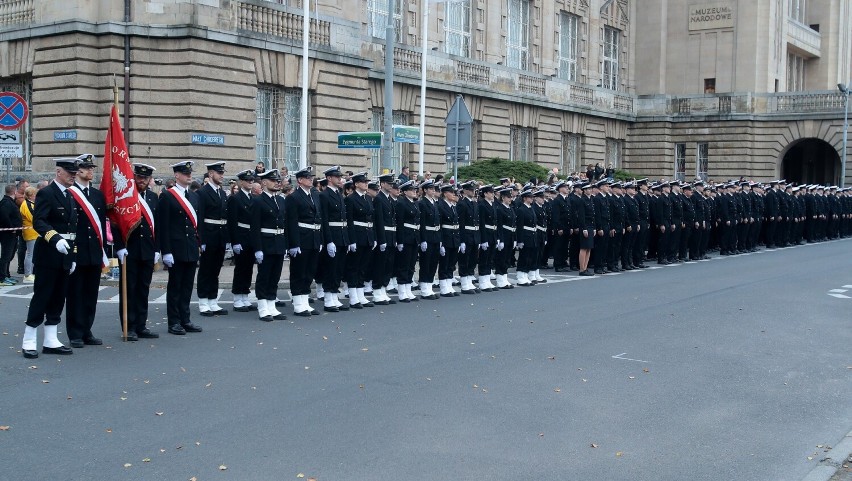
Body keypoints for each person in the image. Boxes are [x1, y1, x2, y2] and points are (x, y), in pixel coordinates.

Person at [21, 158, 79, 359]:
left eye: (75, 172)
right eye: (69, 172)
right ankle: (29, 339)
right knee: (42, 296)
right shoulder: (46, 193)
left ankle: (50, 340)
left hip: (65, 254)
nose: (73, 175)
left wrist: (73, 255)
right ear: (58, 172)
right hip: (48, 254)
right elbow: (39, 221)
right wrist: (54, 238)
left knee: (58, 298)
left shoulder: (70, 196)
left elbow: (73, 229)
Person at [114, 163, 160, 341]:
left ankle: (141, 325)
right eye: (139, 177)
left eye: (145, 178)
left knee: (143, 289)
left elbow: (158, 226)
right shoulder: (125, 196)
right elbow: (116, 223)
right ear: (133, 178)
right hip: (129, 250)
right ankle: (130, 326)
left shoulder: (153, 198)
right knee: (129, 290)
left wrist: (157, 249)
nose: (142, 181)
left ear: (149, 180)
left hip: (147, 250)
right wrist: (119, 247)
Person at [66, 154, 107, 349]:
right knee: (75, 294)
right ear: (78, 170)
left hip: (94, 251)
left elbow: (101, 226)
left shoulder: (98, 195)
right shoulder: (70, 194)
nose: (91, 171)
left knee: (91, 294)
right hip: (77, 251)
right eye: (87, 167)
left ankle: (86, 330)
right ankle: (75, 333)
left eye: (92, 168)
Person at [158, 161, 203, 335]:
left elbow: (196, 225)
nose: (189, 175)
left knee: (187, 287)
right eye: (185, 173)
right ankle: (174, 322)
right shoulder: (168, 196)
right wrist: (166, 251)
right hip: (175, 249)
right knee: (175, 287)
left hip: (190, 247)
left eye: (190, 173)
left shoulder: (194, 197)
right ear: (177, 175)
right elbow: (163, 226)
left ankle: (186, 319)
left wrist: (199, 244)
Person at [251, 170, 288, 321]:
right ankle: (262, 306)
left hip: (279, 241)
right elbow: (255, 227)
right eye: (273, 180)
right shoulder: (258, 201)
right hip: (265, 243)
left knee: (275, 276)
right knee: (264, 276)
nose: (277, 183)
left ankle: (271, 305)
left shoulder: (280, 200)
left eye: (278, 180)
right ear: (264, 183)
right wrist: (258, 249)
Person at [286, 166, 323, 316]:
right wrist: (294, 243)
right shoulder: (293, 197)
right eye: (308, 177)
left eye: (311, 177)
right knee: (299, 271)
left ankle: (305, 300)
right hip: (302, 237)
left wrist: (320, 239)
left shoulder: (314, 195)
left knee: (310, 271)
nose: (311, 179)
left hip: (314, 237)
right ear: (300, 180)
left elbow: (318, 218)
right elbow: (291, 222)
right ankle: (297, 302)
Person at [196, 162, 230, 317]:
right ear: (210, 174)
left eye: (222, 172)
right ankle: (203, 301)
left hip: (220, 235)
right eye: (219, 173)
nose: (222, 175)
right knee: (206, 269)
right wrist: (200, 239)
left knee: (216, 269)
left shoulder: (222, 193)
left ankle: (213, 300)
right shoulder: (202, 193)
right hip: (208, 235)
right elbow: (200, 217)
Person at [318, 165, 349, 312]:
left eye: (340, 176)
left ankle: (334, 295)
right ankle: (328, 298)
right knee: (330, 268)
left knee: (339, 268)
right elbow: (324, 220)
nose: (340, 179)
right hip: (333, 236)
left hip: (342, 236)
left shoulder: (339, 194)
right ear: (329, 178)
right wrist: (328, 240)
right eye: (337, 177)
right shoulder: (324, 195)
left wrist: (347, 239)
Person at [227, 170, 257, 312]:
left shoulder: (253, 198)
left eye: (252, 180)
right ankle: (237, 298)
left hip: (251, 236)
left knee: (249, 268)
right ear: (241, 182)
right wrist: (235, 242)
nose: (251, 182)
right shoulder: (235, 198)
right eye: (248, 180)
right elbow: (232, 222)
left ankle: (245, 295)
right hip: (241, 236)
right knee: (240, 268)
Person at [344, 172, 376, 308]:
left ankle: (360, 294)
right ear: (356, 184)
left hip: (368, 235)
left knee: (363, 267)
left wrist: (373, 237)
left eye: (367, 182)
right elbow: (349, 221)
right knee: (353, 266)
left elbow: (371, 219)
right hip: (357, 235)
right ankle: (353, 296)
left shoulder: (368, 199)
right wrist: (351, 240)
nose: (366, 184)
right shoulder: (350, 199)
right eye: (363, 182)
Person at [370, 173, 398, 305]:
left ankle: (383, 289)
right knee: (380, 265)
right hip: (384, 236)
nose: (391, 185)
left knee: (389, 265)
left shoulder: (389, 199)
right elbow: (379, 221)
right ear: (382, 184)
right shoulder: (379, 199)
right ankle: (377, 291)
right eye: (389, 183)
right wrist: (381, 240)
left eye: (392, 183)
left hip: (391, 236)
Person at [417, 180, 441, 299]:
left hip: (436, 236)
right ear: (425, 190)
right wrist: (423, 239)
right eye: (431, 189)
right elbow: (421, 223)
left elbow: (438, 222)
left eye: (434, 189)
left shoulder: (434, 203)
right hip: (427, 235)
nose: (433, 191)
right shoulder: (422, 203)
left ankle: (429, 285)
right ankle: (424, 288)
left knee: (433, 263)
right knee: (425, 262)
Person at [457, 180, 481, 294]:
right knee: (464, 260)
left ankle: (469, 279)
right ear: (465, 191)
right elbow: (460, 223)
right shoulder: (462, 203)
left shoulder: (474, 203)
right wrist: (461, 241)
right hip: (466, 235)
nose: (473, 192)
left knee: (472, 259)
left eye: (474, 190)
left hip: (474, 235)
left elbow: (477, 222)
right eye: (471, 190)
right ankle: (464, 282)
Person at [437, 183, 461, 297]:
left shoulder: (453, 206)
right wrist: (441, 242)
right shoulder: (441, 206)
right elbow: (440, 225)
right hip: (446, 237)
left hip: (454, 237)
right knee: (444, 263)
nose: (453, 194)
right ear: (445, 193)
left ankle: (449, 284)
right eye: (451, 192)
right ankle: (443, 287)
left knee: (451, 263)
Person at [0, 184, 21, 285]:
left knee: (10, 254)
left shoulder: (10, 202)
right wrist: (11, 227)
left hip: (12, 234)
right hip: (7, 234)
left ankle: (6, 274)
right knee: (6, 255)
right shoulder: (6, 203)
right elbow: (3, 216)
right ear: (14, 192)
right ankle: (2, 277)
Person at [19, 186, 37, 282]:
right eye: (34, 195)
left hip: (34, 232)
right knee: (30, 253)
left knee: (33, 254)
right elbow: (33, 217)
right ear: (30, 195)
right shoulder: (26, 204)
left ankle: (30, 273)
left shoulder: (31, 203)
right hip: (31, 232)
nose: (36, 196)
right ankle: (27, 274)